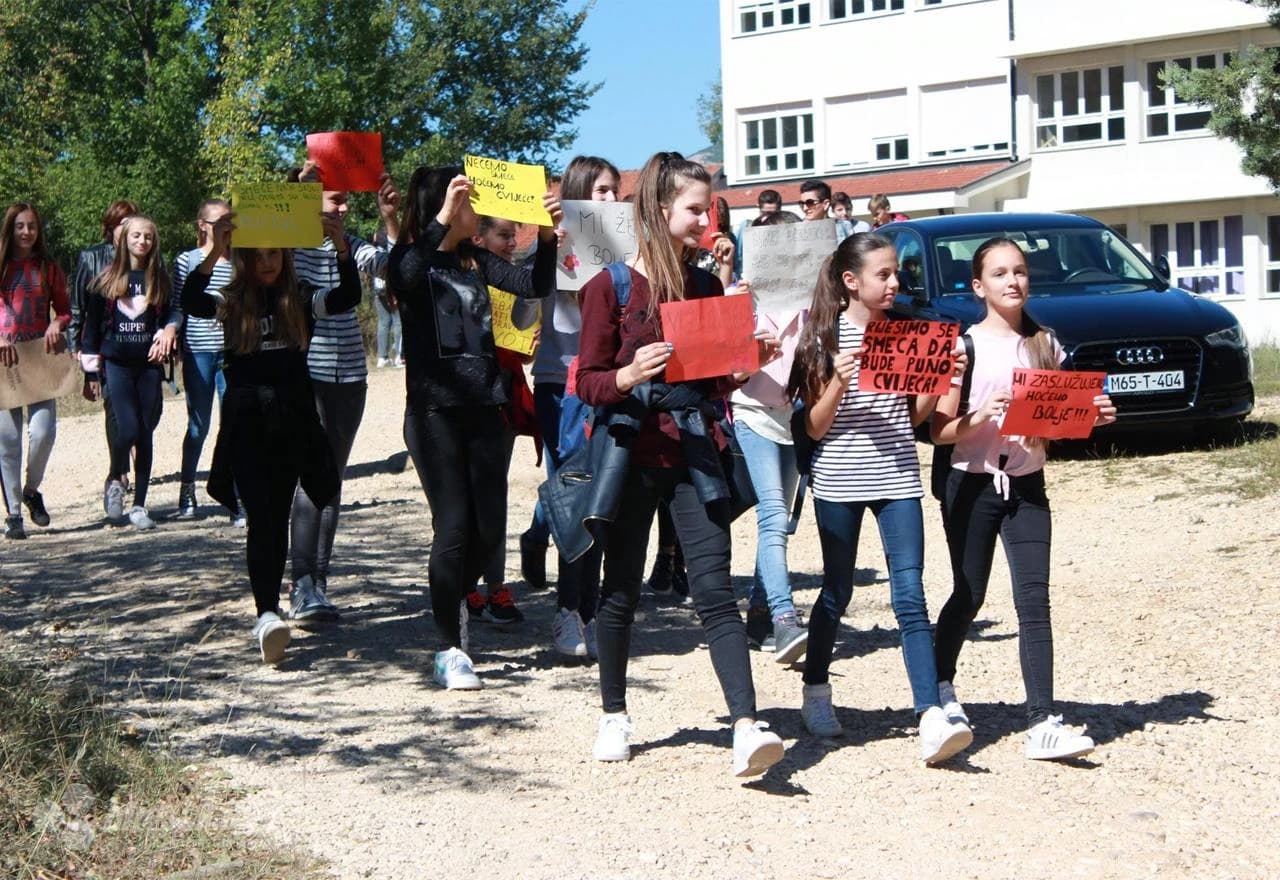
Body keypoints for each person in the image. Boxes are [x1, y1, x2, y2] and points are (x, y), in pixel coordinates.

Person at [575, 150, 785, 777]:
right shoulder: (608, 287)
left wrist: (747, 364)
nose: (706, 218)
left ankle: (745, 726)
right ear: (660, 210)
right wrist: (625, 374)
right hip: (632, 455)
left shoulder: (705, 286)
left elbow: (715, 381)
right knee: (621, 591)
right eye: (696, 208)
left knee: (715, 591)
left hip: (695, 453)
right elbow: (585, 381)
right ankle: (614, 712)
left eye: (710, 207)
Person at [787, 231, 973, 764]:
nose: (894, 283)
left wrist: (939, 381)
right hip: (840, 481)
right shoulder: (822, 339)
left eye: (896, 274)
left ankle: (929, 714)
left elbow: (913, 420)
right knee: (836, 592)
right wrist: (838, 383)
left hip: (897, 480)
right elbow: (816, 430)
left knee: (910, 595)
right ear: (852, 282)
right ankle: (816, 690)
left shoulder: (909, 335)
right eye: (883, 274)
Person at [930, 236, 1116, 761]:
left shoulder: (1046, 344)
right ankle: (941, 692)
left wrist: (1093, 415)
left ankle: (1042, 720)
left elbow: (1059, 417)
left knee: (1034, 599)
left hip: (1027, 484)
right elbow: (940, 430)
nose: (1013, 281)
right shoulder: (961, 347)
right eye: (1000, 273)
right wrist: (983, 412)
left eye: (1020, 272)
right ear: (978, 286)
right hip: (969, 480)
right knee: (969, 594)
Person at [387, 166, 559, 690]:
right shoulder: (415, 258)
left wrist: (547, 237)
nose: (477, 208)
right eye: (468, 198)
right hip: (435, 413)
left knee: (486, 533)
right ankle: (449, 647)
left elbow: (535, 282)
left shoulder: (476, 259)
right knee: (455, 526)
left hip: (486, 408)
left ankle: (455, 602)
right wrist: (440, 217)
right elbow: (404, 279)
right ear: (444, 203)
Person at [181, 213, 360, 664]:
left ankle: (287, 595)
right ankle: (266, 612)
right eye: (258, 254)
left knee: (292, 503)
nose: (266, 262)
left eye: (274, 253)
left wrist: (341, 248)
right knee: (263, 518)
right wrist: (215, 253)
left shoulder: (300, 297)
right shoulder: (231, 298)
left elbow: (348, 296)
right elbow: (190, 300)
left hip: (293, 418)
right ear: (244, 257)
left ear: (284, 255)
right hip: (247, 421)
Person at [285, 164, 400, 624]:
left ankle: (319, 585)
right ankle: (301, 584)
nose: (343, 206)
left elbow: (391, 267)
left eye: (346, 200)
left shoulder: (352, 245)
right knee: (308, 479)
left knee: (331, 479)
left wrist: (390, 219)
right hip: (305, 372)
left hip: (350, 374)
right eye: (334, 199)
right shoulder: (287, 247)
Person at [516, 154, 620, 659]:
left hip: (609, 384)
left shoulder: (622, 246)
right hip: (562, 384)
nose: (611, 200)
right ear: (579, 194)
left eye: (614, 191)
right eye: (601, 191)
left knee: (602, 502)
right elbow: (520, 313)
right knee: (572, 499)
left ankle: (590, 609)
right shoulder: (552, 243)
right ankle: (567, 612)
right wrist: (549, 247)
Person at [733, 210, 809, 660]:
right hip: (752, 412)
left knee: (780, 522)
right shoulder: (738, 299)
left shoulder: (813, 304)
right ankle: (784, 617)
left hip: (794, 419)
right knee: (774, 512)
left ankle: (759, 618)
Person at [80, 216, 178, 530]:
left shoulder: (160, 279)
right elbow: (91, 328)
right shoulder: (106, 279)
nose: (142, 242)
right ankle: (115, 476)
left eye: (148, 237)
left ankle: (139, 505)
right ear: (125, 240)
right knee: (128, 428)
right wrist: (91, 373)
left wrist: (168, 330)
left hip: (149, 366)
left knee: (145, 432)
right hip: (117, 365)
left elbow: (175, 309)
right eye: (136, 235)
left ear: (154, 242)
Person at [463, 214, 533, 627]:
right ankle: (466, 584)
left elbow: (524, 327)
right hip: (467, 397)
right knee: (466, 497)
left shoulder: (518, 279)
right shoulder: (457, 278)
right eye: (503, 235)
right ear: (479, 238)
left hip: (504, 396)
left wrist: (527, 342)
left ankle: (496, 586)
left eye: (514, 236)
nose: (511, 243)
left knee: (494, 494)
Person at [0, 203, 70, 539]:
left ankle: (31, 490)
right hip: (4, 361)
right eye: (20, 226)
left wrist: (57, 322)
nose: (26, 232)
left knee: (43, 432)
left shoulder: (47, 267)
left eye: (32, 226)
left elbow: (66, 311)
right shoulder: (1, 267)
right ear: (10, 229)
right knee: (7, 439)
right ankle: (14, 514)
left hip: (39, 357)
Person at [170, 198, 237, 521]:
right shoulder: (187, 259)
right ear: (202, 225)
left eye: (230, 220)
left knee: (233, 424)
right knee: (199, 424)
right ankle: (187, 488)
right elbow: (181, 304)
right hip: (199, 349)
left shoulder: (242, 258)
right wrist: (172, 332)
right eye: (219, 221)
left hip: (233, 349)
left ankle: (234, 493)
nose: (226, 225)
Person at [69, 200, 138, 505]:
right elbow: (78, 308)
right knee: (113, 407)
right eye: (122, 222)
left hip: (140, 346)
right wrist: (83, 359)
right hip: (106, 348)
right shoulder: (91, 257)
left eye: (132, 221)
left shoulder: (146, 256)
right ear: (111, 226)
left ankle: (131, 458)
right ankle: (119, 473)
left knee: (145, 412)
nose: (128, 228)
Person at [371, 226, 402, 368]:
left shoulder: (375, 252)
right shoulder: (392, 251)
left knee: (383, 323)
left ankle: (382, 357)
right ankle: (399, 356)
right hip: (391, 289)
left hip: (378, 289)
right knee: (398, 322)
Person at [732, 189, 781, 278]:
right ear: (758, 207)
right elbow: (736, 263)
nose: (768, 218)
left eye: (774, 214)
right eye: (765, 213)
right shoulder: (745, 228)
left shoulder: (785, 231)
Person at [798, 179, 868, 240]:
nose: (805, 208)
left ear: (825, 204)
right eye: (802, 203)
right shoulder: (797, 231)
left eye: (810, 203)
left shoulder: (844, 226)